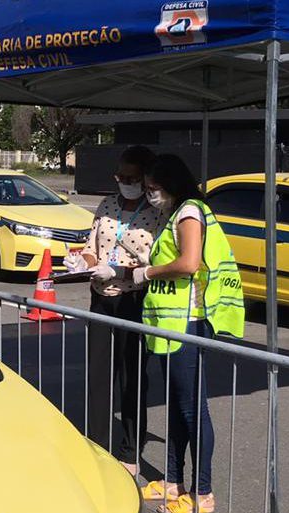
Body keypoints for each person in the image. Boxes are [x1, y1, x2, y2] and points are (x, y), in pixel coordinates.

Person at [133, 154, 245, 513]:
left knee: (192, 409)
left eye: (154, 188)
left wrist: (147, 273)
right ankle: (172, 479)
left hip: (188, 322)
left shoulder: (189, 213)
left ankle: (203, 492)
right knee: (179, 407)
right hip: (170, 324)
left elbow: (189, 263)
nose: (150, 195)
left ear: (171, 185)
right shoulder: (177, 213)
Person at [75, 145, 165, 475]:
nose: (124, 182)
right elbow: (91, 245)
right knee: (98, 377)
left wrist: (120, 272)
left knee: (132, 378)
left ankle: (130, 451)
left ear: (144, 179)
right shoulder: (107, 204)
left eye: (131, 177)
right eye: (120, 176)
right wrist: (83, 262)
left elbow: (158, 262)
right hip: (101, 297)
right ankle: (97, 445)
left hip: (133, 300)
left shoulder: (157, 213)